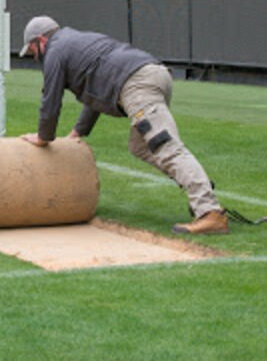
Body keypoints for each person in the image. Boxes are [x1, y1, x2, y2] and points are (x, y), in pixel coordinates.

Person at [18, 15, 229, 235]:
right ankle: (194, 180)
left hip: (138, 84)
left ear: (40, 40)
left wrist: (44, 137)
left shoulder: (55, 51)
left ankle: (209, 213)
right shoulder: (75, 42)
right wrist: (78, 132)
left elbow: (50, 100)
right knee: (140, 147)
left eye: (32, 51)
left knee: (165, 147)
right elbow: (95, 95)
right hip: (150, 75)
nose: (34, 57)